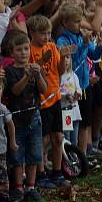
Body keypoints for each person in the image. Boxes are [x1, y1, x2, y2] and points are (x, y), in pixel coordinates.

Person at [27, 14, 73, 190]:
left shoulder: (52, 47)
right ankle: (40, 173)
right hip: (41, 100)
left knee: (58, 136)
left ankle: (57, 172)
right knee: (42, 139)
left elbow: (60, 71)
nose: (46, 37)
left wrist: (63, 56)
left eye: (48, 33)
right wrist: (42, 60)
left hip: (55, 98)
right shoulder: (30, 49)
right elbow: (31, 71)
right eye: (42, 33)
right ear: (32, 32)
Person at [55, 3, 102, 157]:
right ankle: (70, 157)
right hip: (69, 91)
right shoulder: (62, 40)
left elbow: (94, 55)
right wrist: (83, 44)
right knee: (69, 126)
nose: (79, 24)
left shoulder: (81, 36)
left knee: (84, 123)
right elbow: (73, 60)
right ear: (65, 23)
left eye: (80, 20)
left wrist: (100, 43)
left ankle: (82, 157)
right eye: (76, 21)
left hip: (84, 86)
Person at [4, 32, 48, 202]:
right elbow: (15, 90)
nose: (23, 53)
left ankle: (31, 187)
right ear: (12, 52)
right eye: (19, 49)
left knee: (34, 154)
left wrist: (37, 75)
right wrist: (27, 76)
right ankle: (17, 188)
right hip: (16, 120)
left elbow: (44, 89)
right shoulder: (10, 71)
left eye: (25, 49)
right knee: (17, 156)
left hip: (34, 118)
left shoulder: (35, 67)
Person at [59, 53, 82, 146]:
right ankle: (67, 158)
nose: (66, 60)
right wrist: (65, 96)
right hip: (65, 112)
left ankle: (75, 157)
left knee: (74, 139)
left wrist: (78, 94)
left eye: (68, 57)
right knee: (67, 138)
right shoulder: (58, 76)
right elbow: (56, 93)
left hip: (75, 111)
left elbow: (79, 89)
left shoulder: (74, 75)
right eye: (63, 58)